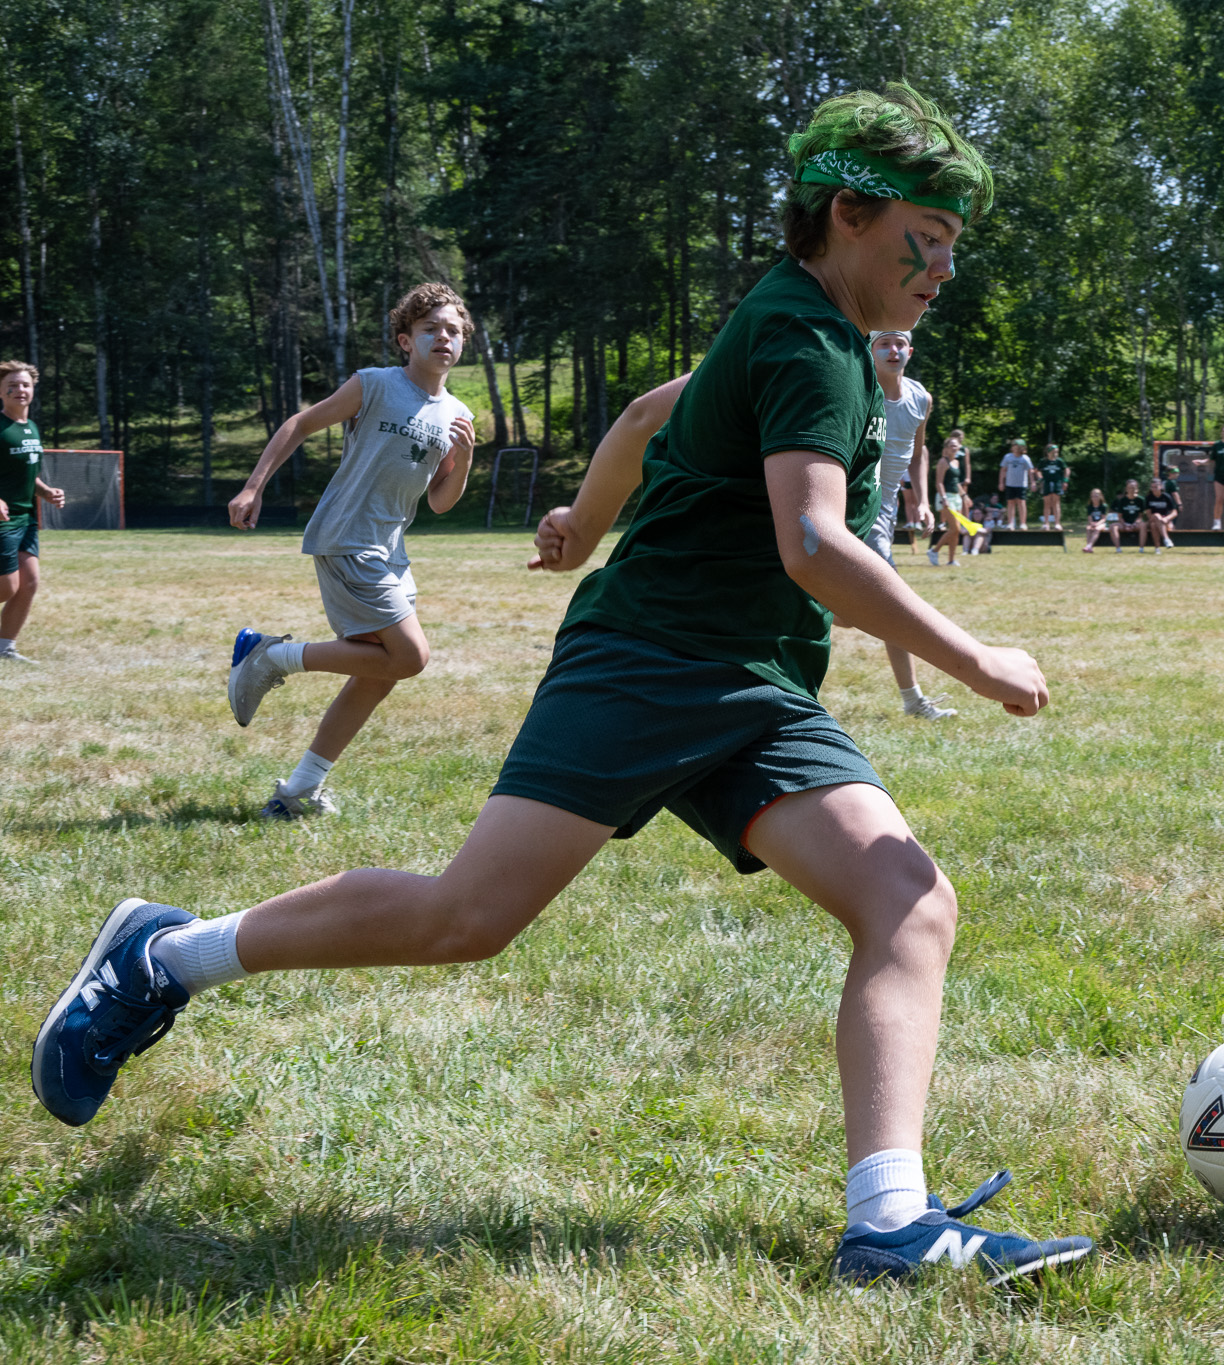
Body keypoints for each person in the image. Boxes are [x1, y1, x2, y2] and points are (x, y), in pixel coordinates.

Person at [33, 83, 1092, 1288]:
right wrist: (977, 660)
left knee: (906, 901)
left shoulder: (799, 326)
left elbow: (646, 415)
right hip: (648, 667)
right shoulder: (807, 340)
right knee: (465, 919)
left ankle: (889, 1225)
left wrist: (584, 525)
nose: (944, 270)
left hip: (750, 687)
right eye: (930, 239)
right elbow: (812, 542)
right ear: (849, 214)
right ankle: (162, 958)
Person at [221, 283, 479, 819]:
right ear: (405, 340)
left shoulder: (458, 414)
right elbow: (299, 424)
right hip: (348, 537)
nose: (444, 337)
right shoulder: (375, 384)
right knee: (410, 657)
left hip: (391, 551)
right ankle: (270, 656)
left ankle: (299, 791)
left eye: (453, 330)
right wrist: (252, 487)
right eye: (430, 328)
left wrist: (465, 459)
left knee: (380, 674)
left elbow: (440, 501)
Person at [867, 330, 955, 719]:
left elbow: (919, 453)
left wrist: (921, 500)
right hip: (857, 507)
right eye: (884, 344)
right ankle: (913, 700)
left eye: (900, 344)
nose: (893, 350)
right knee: (892, 602)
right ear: (870, 351)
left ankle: (912, 700)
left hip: (885, 511)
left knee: (863, 607)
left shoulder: (921, 398)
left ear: (911, 351)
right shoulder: (859, 390)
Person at [0, 360, 66, 664]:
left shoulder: (31, 428)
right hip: (3, 521)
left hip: (25, 519)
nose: (19, 390)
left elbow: (28, 475)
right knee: (6, 588)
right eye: (11, 385)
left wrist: (46, 491)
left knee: (29, 583)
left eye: (25, 384)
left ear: (33, 389)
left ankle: (4, 649)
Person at [928, 439, 966, 567]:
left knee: (955, 531)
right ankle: (934, 551)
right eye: (951, 446)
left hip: (956, 497)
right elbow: (939, 482)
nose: (954, 448)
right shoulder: (943, 462)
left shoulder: (957, 462)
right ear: (946, 448)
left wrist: (964, 496)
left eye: (956, 446)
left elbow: (956, 482)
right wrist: (944, 498)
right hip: (946, 497)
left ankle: (951, 560)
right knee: (955, 528)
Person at [997, 438, 1036, 530]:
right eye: (1014, 445)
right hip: (1010, 484)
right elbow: (1003, 470)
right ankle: (1010, 523)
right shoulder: (1007, 457)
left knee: (1021, 503)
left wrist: (1033, 482)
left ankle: (1023, 523)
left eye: (1018, 446)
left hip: (1021, 484)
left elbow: (1030, 471)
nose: (1016, 448)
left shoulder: (1025, 458)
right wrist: (1001, 483)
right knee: (1010, 503)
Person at [1038, 444, 1068, 530]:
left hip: (1057, 483)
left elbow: (1066, 470)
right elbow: (1038, 471)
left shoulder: (1059, 461)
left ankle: (1057, 523)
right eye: (1053, 452)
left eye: (1056, 452)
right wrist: (1040, 479)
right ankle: (1046, 523)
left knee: (1056, 503)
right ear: (1048, 452)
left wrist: (1065, 481)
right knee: (1047, 503)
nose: (1055, 454)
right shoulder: (1043, 461)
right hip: (1046, 483)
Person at [1141, 478, 1175, 552]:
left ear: (1160, 487)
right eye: (1152, 487)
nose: (1154, 489)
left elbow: (1174, 512)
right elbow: (1149, 514)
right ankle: (1166, 539)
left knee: (1154, 525)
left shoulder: (1166, 496)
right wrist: (1158, 518)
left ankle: (1157, 549)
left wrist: (1167, 518)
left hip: (1164, 521)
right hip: (1152, 518)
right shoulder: (1148, 498)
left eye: (1156, 487)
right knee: (1156, 515)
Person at [1113, 479, 1147, 553]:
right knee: (1113, 526)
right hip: (1124, 524)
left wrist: (1135, 523)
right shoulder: (1122, 500)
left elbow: (1140, 516)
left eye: (1134, 487)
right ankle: (1118, 549)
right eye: (1130, 488)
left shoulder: (1141, 500)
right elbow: (1120, 516)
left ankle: (1141, 549)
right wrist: (1125, 524)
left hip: (1136, 524)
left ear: (1137, 489)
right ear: (1126, 489)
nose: (1132, 489)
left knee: (1143, 525)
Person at [1080, 487, 1118, 552]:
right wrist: (1092, 523)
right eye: (1093, 496)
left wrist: (1097, 524)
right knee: (1088, 528)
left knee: (1097, 529)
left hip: (1102, 523)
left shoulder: (1103, 506)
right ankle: (1089, 547)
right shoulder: (1089, 507)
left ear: (1100, 497)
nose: (1094, 498)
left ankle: (1089, 546)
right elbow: (1089, 518)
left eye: (1096, 496)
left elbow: (1104, 518)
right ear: (1091, 497)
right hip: (1093, 523)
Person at [1158, 463, 1181, 545]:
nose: (1177, 474)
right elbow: (1175, 494)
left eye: (1177, 472)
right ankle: (1169, 539)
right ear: (1170, 473)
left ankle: (1167, 538)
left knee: (1170, 521)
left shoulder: (1167, 482)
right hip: (1172, 506)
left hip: (1168, 505)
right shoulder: (1171, 482)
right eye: (1175, 472)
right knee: (1171, 522)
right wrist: (1179, 504)